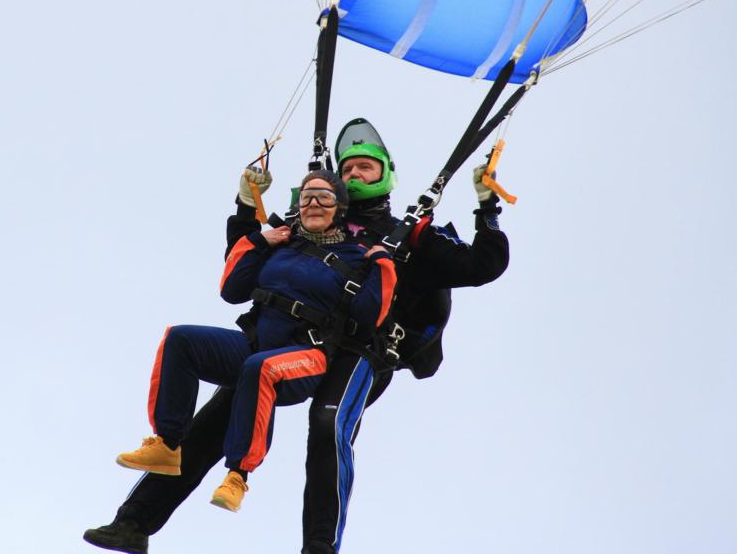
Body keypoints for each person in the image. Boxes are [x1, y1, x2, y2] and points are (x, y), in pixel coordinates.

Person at [85, 120, 509, 554]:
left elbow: (483, 266)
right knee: (219, 415)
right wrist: (246, 206)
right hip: (288, 339)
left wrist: (487, 205)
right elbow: (245, 264)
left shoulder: (408, 235)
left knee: (327, 426)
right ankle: (132, 524)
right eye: (347, 169)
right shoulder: (307, 219)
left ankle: (320, 547)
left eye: (365, 167)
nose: (354, 174)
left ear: (386, 174)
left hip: (360, 350)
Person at [110, 171, 396, 515]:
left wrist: (383, 264)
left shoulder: (356, 256)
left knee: (261, 368)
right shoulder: (283, 242)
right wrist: (259, 240)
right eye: (306, 197)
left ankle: (238, 475)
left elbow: (369, 316)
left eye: (324, 197)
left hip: (307, 356)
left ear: (340, 208)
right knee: (181, 339)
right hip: (255, 345)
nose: (313, 204)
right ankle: (167, 444)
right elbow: (231, 290)